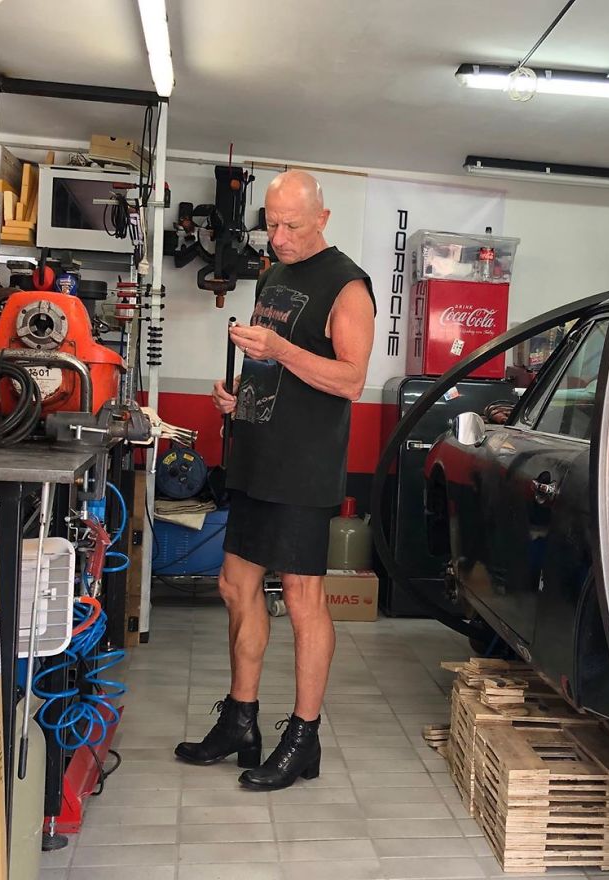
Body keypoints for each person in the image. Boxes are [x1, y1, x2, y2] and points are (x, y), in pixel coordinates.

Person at [174, 170, 376, 791]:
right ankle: (241, 720)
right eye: (273, 222)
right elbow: (274, 371)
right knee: (236, 586)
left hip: (303, 468)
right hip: (257, 458)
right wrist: (239, 398)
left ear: (323, 218)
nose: (280, 236)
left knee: (302, 598)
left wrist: (281, 350)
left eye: (292, 224)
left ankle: (304, 737)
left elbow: (350, 381)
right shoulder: (273, 272)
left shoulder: (348, 287)